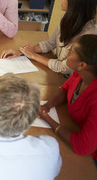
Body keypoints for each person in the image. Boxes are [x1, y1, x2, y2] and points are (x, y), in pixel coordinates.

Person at [1, 0, 97, 77]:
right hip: (60, 73)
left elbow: (64, 67)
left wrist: (33, 55)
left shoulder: (89, 35)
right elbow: (50, 43)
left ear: (75, 3)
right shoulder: (67, 16)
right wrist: (21, 52)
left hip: (71, 80)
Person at [39, 34, 97, 167]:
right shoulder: (81, 73)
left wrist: (48, 119)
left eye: (70, 51)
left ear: (82, 65)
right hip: (73, 126)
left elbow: (83, 147)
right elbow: (66, 88)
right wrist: (48, 105)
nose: (66, 51)